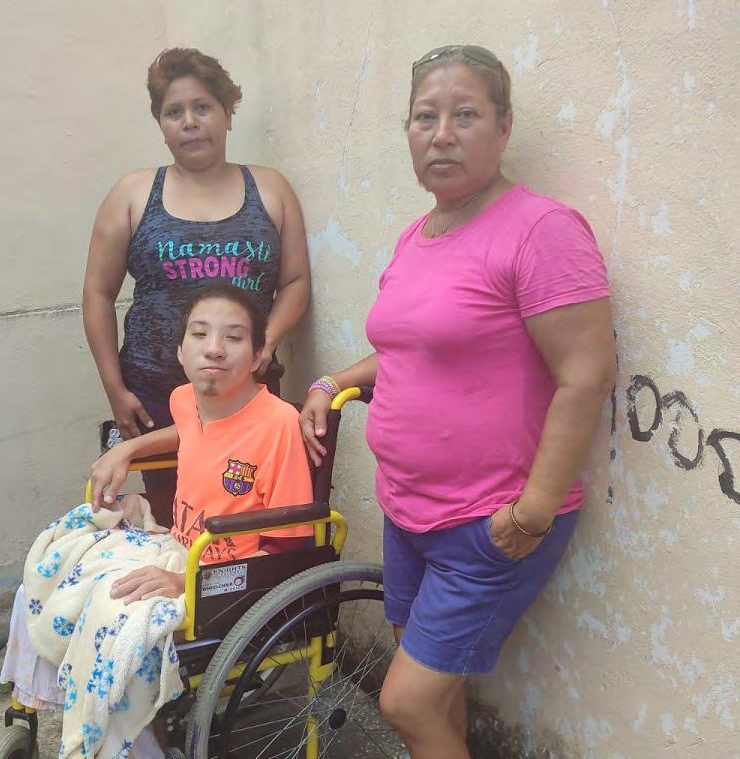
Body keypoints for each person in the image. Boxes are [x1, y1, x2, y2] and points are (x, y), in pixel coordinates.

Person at [299, 45, 616, 759]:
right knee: (437, 701)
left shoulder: (541, 229)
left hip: (489, 520)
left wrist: (533, 510)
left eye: (465, 115)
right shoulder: (417, 236)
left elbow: (586, 373)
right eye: (425, 117)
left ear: (504, 127)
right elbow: (408, 351)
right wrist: (332, 384)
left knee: (405, 700)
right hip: (408, 511)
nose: (441, 134)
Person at [0, 284, 312, 758]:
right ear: (181, 352)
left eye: (233, 337)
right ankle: (46, 705)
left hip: (225, 582)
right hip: (177, 546)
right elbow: (189, 430)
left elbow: (288, 547)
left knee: (116, 623)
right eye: (200, 334)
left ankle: (133, 746)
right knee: (51, 573)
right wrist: (127, 448)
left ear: (256, 357)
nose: (214, 348)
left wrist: (188, 583)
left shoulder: (278, 425)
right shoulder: (186, 399)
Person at [82, 48, 311, 528]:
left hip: (246, 393)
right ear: (160, 123)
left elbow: (295, 282)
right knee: (170, 520)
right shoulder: (132, 194)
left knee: (242, 525)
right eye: (174, 112)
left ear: (227, 113)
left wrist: (267, 342)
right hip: (155, 398)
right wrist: (115, 388)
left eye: (203, 107)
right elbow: (97, 295)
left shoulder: (271, 190)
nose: (190, 122)